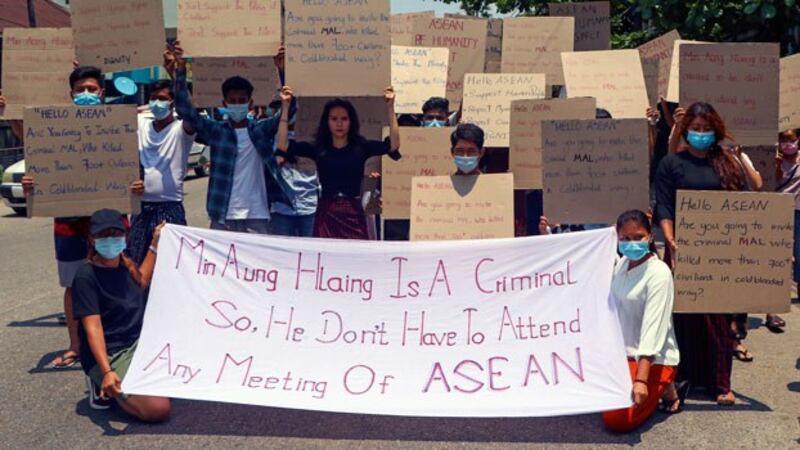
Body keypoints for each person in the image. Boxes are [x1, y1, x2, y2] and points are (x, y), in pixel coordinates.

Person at [11, 66, 144, 368]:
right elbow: (36, 147)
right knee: (73, 285)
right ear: (70, 94)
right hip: (69, 225)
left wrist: (138, 185)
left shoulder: (118, 126)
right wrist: (33, 183)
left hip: (109, 222)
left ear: (102, 93)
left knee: (123, 276)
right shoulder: (55, 126)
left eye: (92, 89)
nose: (86, 94)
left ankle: (128, 339)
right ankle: (76, 344)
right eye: (80, 90)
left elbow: (135, 172)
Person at [655, 101, 743, 405]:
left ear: (715, 131)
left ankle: (721, 384)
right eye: (695, 129)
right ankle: (682, 379)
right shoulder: (671, 164)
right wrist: (670, 239)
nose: (701, 134)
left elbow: (742, 206)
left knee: (718, 317)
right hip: (681, 248)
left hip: (719, 252)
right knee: (682, 316)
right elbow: (664, 204)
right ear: (686, 131)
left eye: (706, 130)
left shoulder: (728, 164)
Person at [169, 42, 296, 234]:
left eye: (242, 100)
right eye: (233, 101)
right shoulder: (216, 131)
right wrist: (180, 69)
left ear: (250, 102)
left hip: (258, 214)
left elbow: (289, 110)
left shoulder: (261, 130)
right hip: (223, 215)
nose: (237, 104)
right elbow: (187, 112)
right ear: (224, 103)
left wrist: (282, 70)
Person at [72, 209, 170, 421]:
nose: (110, 241)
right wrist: (107, 371)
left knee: (182, 383)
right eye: (103, 236)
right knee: (158, 409)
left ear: (124, 237)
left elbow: (142, 280)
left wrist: (155, 242)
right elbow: (93, 328)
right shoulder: (85, 276)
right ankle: (102, 382)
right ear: (91, 239)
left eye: (115, 235)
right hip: (112, 353)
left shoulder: (127, 265)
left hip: (138, 345)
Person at [277, 86, 401, 239]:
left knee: (356, 257)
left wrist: (390, 107)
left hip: (353, 213)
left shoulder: (361, 147)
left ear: (351, 121)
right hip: (326, 212)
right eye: (334, 119)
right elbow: (283, 145)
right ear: (327, 122)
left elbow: (393, 145)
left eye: (344, 119)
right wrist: (285, 107)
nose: (339, 124)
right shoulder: (319, 148)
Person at [603, 210, 682, 433]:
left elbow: (652, 330)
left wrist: (641, 380)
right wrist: (549, 232)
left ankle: (666, 385)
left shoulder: (658, 273)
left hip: (652, 359)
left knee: (617, 420)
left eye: (637, 237)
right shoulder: (621, 265)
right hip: (622, 355)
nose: (631, 243)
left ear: (649, 236)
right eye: (625, 239)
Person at [128, 79, 195, 264]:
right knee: (137, 264)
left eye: (162, 98)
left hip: (169, 208)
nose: (156, 103)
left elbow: (191, 114)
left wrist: (178, 73)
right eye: (153, 98)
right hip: (140, 208)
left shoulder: (182, 130)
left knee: (170, 264)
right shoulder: (141, 123)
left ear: (173, 102)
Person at [769, 128, 799, 333]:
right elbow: (770, 184)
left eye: (792, 141)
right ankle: (772, 308)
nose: (788, 145)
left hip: (799, 212)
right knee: (777, 259)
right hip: (778, 212)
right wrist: (777, 167)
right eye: (784, 141)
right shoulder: (773, 159)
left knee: (798, 256)